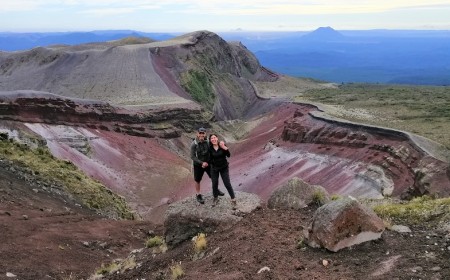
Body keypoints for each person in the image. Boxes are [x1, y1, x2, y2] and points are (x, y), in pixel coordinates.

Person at [190, 127, 224, 204]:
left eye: (203, 133)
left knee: (213, 177)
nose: (201, 135)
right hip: (198, 165)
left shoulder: (208, 142)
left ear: (205, 134)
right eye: (200, 133)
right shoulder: (194, 144)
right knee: (197, 180)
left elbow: (212, 150)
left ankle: (216, 189)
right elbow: (192, 156)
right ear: (197, 134)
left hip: (208, 163)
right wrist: (201, 163)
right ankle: (198, 195)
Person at [208, 133, 237, 210]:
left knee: (227, 183)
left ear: (217, 138)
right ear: (210, 140)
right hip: (214, 168)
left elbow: (228, 155)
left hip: (224, 167)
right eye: (212, 138)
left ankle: (233, 199)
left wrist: (225, 148)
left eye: (214, 138)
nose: (213, 139)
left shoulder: (221, 145)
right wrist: (212, 164)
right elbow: (209, 158)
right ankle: (215, 198)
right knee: (214, 183)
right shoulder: (210, 148)